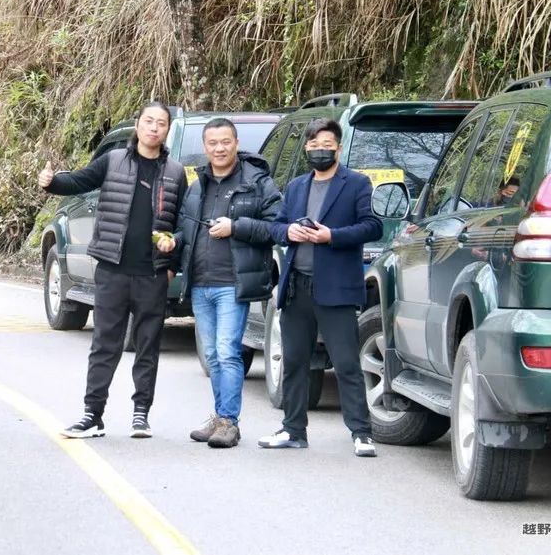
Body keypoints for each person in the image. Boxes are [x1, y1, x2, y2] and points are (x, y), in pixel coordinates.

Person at [38, 101, 187, 439]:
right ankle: (92, 415)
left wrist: (171, 264)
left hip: (153, 274)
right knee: (105, 344)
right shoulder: (114, 160)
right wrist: (51, 182)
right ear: (138, 125)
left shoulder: (176, 172)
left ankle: (140, 415)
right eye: (148, 121)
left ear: (167, 130)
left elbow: (183, 226)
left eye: (160, 123)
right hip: (113, 270)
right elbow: (78, 181)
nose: (154, 128)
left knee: (147, 346)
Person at [257, 118, 383, 457]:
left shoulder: (356, 184)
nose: (319, 151)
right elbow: (277, 226)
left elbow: (373, 226)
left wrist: (332, 236)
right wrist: (288, 233)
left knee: (345, 362)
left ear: (339, 148)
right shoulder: (297, 186)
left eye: (325, 145)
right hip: (296, 285)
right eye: (312, 146)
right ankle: (293, 429)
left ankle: (361, 432)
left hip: (336, 288)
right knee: (295, 361)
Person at [167, 118, 281, 448]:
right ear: (206, 147)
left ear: (236, 142)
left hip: (233, 282)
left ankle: (229, 421)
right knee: (213, 356)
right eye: (213, 143)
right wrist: (171, 250)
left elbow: (276, 226)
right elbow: (185, 230)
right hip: (200, 283)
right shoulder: (198, 184)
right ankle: (220, 416)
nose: (219, 148)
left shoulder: (256, 181)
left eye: (225, 142)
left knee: (227, 351)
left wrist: (237, 227)